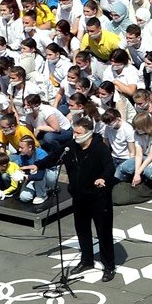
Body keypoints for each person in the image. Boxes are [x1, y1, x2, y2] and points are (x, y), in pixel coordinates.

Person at [36, 116, 118, 282]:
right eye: (74, 131)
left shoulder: (100, 149)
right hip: (79, 197)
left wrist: (103, 178)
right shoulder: (70, 147)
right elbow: (54, 156)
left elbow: (110, 167)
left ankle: (109, 265)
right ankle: (86, 260)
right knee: (82, 230)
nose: (75, 135)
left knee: (103, 232)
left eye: (78, 132)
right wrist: (38, 165)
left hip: (98, 198)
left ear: (88, 133)